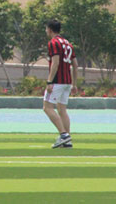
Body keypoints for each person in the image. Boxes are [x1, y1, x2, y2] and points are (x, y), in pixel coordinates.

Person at [42, 19, 78, 149]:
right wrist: (74, 83)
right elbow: (75, 65)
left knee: (47, 107)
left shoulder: (53, 43)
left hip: (57, 81)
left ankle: (63, 135)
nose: (46, 31)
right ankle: (67, 140)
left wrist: (49, 81)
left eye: (46, 28)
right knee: (62, 110)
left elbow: (55, 63)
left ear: (50, 29)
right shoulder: (68, 43)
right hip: (67, 82)